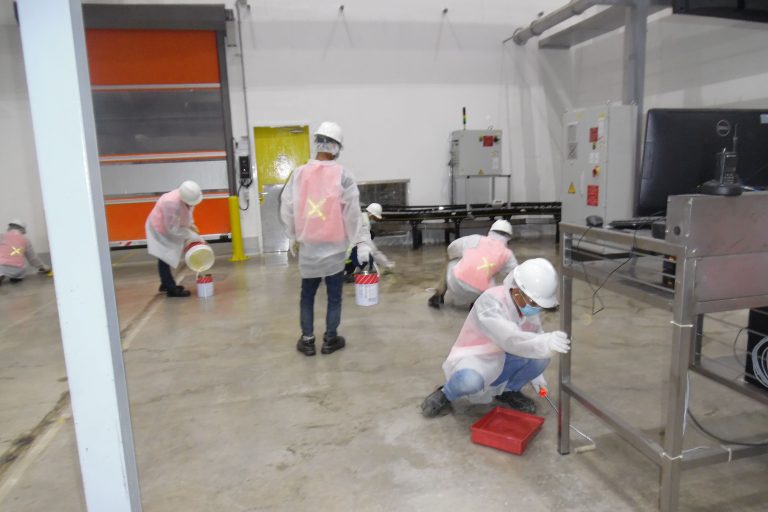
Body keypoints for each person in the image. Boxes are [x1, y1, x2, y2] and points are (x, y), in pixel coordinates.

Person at [421, 258, 570, 417]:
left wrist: (537, 374)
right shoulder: (491, 302)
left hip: (506, 356)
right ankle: (446, 393)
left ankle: (509, 391)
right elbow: (509, 339)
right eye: (534, 303)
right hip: (478, 357)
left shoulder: (526, 305)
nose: (536, 308)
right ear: (518, 291)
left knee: (542, 357)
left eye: (539, 305)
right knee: (469, 381)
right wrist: (544, 342)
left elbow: (535, 336)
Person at [279, 121, 362, 356]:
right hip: (335, 247)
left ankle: (307, 340)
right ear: (337, 147)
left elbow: (288, 207)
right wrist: (355, 239)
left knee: (307, 295)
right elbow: (352, 213)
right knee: (334, 297)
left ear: (317, 143)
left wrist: (292, 235)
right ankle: (330, 339)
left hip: (309, 247)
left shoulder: (299, 174)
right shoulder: (343, 175)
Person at [428, 219, 517, 309]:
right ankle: (475, 303)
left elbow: (452, 248)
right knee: (490, 276)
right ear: (509, 237)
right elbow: (515, 276)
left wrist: (460, 257)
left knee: (451, 263)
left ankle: (438, 296)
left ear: (490, 231)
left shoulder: (475, 239)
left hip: (455, 283)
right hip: (478, 292)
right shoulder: (508, 254)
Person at [145, 180, 204, 298]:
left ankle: (165, 283)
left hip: (169, 227)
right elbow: (172, 228)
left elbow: (187, 214)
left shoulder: (187, 197)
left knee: (166, 256)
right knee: (164, 257)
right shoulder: (170, 203)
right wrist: (191, 235)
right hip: (159, 228)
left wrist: (191, 226)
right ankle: (171, 289)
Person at [345, 202, 395, 281]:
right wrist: (387, 264)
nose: (375, 219)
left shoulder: (363, 218)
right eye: (375, 217)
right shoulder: (363, 221)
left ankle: (349, 272)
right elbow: (370, 246)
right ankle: (348, 273)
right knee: (366, 255)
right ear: (372, 214)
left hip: (351, 247)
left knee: (365, 255)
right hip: (350, 250)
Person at [0, 219, 50, 286]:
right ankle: (16, 278)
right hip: (18, 270)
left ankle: (1, 274)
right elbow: (32, 259)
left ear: (9, 227)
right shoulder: (26, 240)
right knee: (19, 271)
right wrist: (43, 267)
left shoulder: (2, 236)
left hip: (2, 266)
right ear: (23, 230)